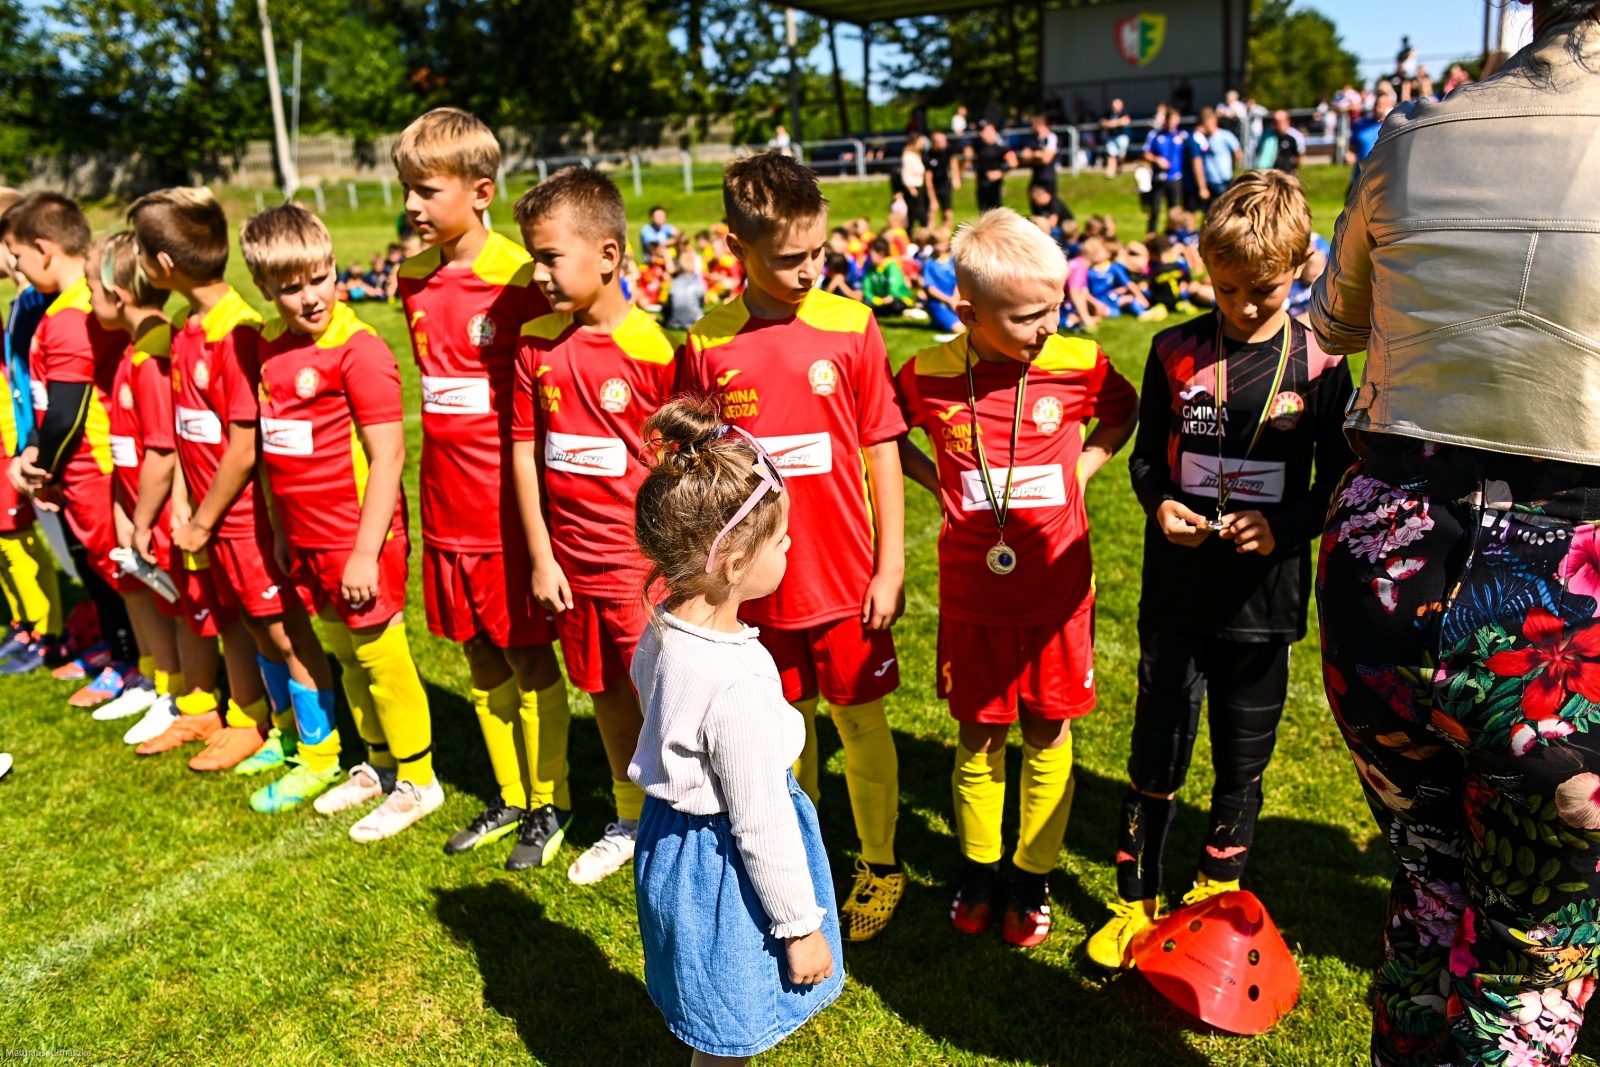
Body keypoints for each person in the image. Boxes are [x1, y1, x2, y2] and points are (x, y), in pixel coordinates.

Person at [1312, 8, 1600, 1064]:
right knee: (1530, 957)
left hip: (1384, 569)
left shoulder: (1413, 135)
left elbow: (1334, 322)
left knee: (1430, 889)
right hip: (1563, 600)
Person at [1088, 171, 1354, 969]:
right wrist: (1160, 503)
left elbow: (1339, 479)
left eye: (1261, 291)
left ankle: (1215, 888)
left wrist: (1282, 527)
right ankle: (1133, 897)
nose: (1240, 305)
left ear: (1300, 268)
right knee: (1157, 747)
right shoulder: (1174, 350)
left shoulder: (1321, 361)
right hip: (1178, 589)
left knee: (1243, 754)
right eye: (1225, 287)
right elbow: (1146, 459)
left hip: (1264, 599)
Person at [680, 151, 910, 942]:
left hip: (845, 578)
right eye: (788, 258)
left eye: (818, 252)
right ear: (736, 247)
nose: (810, 269)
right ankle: (800, 862)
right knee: (781, 729)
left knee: (861, 721)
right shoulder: (707, 341)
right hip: (755, 586)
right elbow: (699, 470)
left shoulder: (852, 324)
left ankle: (880, 862)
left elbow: (881, 445)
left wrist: (891, 563)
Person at [894, 209, 1137, 947]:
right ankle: (979, 869)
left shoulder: (1079, 361)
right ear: (968, 312)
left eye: (1053, 308)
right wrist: (936, 482)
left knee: (1048, 729)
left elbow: (1121, 413)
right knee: (978, 736)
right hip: (974, 597)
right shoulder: (927, 374)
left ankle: (1032, 875)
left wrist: (1082, 470)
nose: (1046, 327)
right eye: (1027, 316)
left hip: (1058, 594)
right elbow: (882, 431)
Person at [629, 397, 843, 1064]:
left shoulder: (660, 629)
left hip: (671, 846)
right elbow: (760, 822)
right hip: (726, 871)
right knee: (729, 1023)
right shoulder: (738, 681)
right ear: (733, 562)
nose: (789, 547)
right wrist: (799, 928)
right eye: (779, 541)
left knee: (704, 998)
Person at [392, 108, 572, 870]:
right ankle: (508, 792)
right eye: (406, 188)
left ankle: (551, 798)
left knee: (528, 654)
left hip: (506, 510)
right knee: (477, 653)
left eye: (427, 190)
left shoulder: (521, 280)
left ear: (482, 191)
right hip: (445, 504)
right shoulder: (410, 279)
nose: (411, 205)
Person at [129, 188, 339, 802]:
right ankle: (281, 730)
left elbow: (245, 447)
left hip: (248, 520)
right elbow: (192, 431)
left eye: (140, 251)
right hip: (212, 520)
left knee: (284, 630)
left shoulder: (238, 331)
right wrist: (186, 505)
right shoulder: (186, 328)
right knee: (252, 625)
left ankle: (320, 751)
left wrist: (202, 519)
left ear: (162, 264)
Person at [239, 203, 441, 840]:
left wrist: (363, 552)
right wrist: (280, 530)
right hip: (305, 538)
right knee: (348, 657)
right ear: (264, 288)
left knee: (380, 654)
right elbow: (276, 454)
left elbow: (389, 457)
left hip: (358, 537)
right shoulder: (270, 348)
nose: (311, 297)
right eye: (290, 287)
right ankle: (378, 764)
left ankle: (419, 779)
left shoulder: (359, 349)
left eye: (320, 278)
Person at [510, 166, 677, 886]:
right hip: (570, 567)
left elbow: (680, 473)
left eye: (550, 257)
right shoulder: (535, 344)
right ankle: (631, 818)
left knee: (665, 699)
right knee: (604, 692)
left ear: (608, 254)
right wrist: (542, 557)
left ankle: (685, 820)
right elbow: (525, 454)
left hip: (642, 570)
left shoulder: (655, 352)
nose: (537, 273)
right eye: (534, 257)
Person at [1, 194, 140, 706]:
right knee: (98, 567)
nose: (15, 266)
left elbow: (66, 411)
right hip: (75, 468)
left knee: (117, 571)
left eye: (17, 256)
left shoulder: (73, 314)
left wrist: (40, 467)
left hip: (92, 467)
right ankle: (123, 653)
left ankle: (135, 663)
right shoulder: (61, 307)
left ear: (43, 249)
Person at [84, 232, 183, 725]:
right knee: (148, 593)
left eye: (91, 288)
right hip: (137, 507)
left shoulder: (152, 358)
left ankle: (180, 692)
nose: (88, 301)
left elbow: (163, 451)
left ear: (118, 294)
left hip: (161, 513)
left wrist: (141, 517)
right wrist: (123, 509)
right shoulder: (131, 352)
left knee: (176, 603)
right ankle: (157, 679)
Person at [0, 190, 62, 678]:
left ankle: (48, 629)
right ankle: (26, 623)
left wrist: (25, 443)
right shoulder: (20, 302)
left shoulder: (43, 301)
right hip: (16, 438)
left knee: (17, 537)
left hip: (19, 443)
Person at [1142, 107, 1188, 233]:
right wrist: (1157, 160)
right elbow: (1146, 153)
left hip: (1175, 177)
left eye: (1174, 119)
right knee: (1155, 208)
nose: (1172, 122)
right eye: (1170, 119)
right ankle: (1151, 234)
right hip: (1159, 177)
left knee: (1174, 209)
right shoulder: (1155, 135)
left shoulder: (1182, 136)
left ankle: (1172, 234)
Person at [1189, 107, 1241, 209]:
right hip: (1210, 182)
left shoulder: (1225, 136)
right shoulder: (1202, 138)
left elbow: (1237, 153)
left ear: (1213, 121)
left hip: (1225, 180)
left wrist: (1233, 167)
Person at [920, 229, 962, 338]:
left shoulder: (953, 261)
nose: (940, 246)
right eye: (936, 243)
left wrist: (955, 299)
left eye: (942, 242)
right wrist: (949, 301)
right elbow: (929, 288)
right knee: (960, 329)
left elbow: (959, 281)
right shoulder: (929, 264)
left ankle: (937, 322)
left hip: (956, 300)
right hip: (939, 303)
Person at [969, 122, 1016, 212]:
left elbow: (1013, 162)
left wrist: (1000, 172)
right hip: (981, 185)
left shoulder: (1000, 148)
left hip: (994, 186)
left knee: (995, 211)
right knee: (983, 212)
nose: (983, 134)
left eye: (986, 131)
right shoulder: (979, 146)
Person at [662, 248, 706, 331]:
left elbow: (669, 302)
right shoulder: (698, 283)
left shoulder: (674, 282)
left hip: (673, 323)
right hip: (696, 322)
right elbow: (702, 303)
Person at [925, 130, 958, 228]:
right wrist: (932, 199)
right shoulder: (928, 156)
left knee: (947, 213)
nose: (945, 143)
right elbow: (928, 179)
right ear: (934, 143)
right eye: (941, 141)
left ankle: (946, 233)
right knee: (932, 210)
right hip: (933, 186)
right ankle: (930, 232)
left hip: (945, 185)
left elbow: (953, 161)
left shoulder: (947, 150)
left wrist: (956, 178)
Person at [1257, 110, 1305, 176]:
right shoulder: (1267, 136)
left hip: (1287, 173)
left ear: (1287, 121)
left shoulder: (1295, 136)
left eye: (1278, 122)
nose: (1274, 124)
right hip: (1269, 173)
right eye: (1274, 121)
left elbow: (1300, 156)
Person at [1021, 113, 1059, 196]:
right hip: (1036, 177)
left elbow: (1046, 159)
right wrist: (1037, 155)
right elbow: (1024, 157)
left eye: (1033, 125)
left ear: (1039, 125)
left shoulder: (1051, 138)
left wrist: (1033, 156)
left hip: (1048, 178)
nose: (1031, 127)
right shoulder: (1033, 139)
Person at [899, 133, 928, 227]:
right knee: (915, 213)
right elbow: (906, 174)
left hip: (918, 186)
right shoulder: (908, 156)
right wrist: (910, 188)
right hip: (913, 188)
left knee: (920, 213)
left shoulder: (917, 155)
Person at [1101, 99, 1131, 177]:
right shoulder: (1108, 112)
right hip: (1111, 137)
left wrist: (1112, 123)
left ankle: (1119, 166)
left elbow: (1126, 121)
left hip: (1122, 137)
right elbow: (1102, 121)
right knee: (1111, 155)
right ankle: (1110, 172)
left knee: (1121, 155)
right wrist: (1116, 122)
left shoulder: (1124, 112)